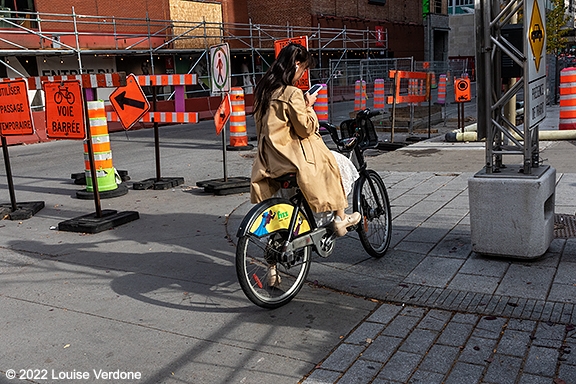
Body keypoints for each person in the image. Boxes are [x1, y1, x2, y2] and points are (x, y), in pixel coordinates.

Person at [250, 42, 361, 238]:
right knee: (336, 163)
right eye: (304, 69)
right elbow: (305, 128)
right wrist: (308, 105)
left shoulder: (264, 91)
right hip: (293, 159)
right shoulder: (291, 93)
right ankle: (339, 217)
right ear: (297, 64)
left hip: (269, 160)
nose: (303, 74)